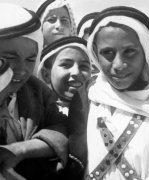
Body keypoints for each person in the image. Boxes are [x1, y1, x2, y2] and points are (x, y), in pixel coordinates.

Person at [65, 6, 149, 180]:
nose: (119, 64)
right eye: (108, 53)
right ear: (96, 55)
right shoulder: (86, 98)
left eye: (129, 52)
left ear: (147, 53)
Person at [0, 3, 68, 180]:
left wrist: (21, 150)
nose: (22, 70)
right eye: (9, 58)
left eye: (31, 59)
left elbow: (61, 127)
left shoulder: (36, 90)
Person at [37, 36, 91, 115]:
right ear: (46, 75)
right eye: (66, 65)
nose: (76, 72)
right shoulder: (36, 112)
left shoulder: (99, 108)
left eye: (84, 66)